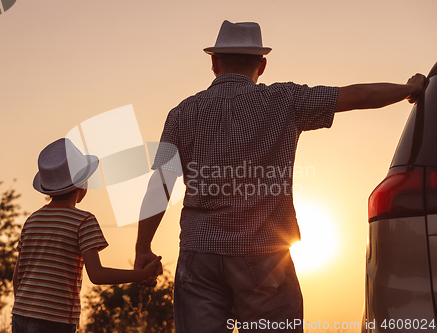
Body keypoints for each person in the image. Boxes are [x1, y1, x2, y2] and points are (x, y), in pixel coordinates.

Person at [134, 20, 426, 333]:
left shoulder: (181, 113)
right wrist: (409, 89)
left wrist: (142, 250)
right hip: (264, 256)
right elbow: (360, 95)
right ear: (262, 64)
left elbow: (159, 185)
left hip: (199, 254)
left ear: (213, 62)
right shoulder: (284, 100)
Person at [12, 138, 161, 333]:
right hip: (54, 321)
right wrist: (141, 274)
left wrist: (27, 308)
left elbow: (17, 277)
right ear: (82, 186)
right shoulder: (84, 221)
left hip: (20, 315)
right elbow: (97, 275)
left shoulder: (32, 220)